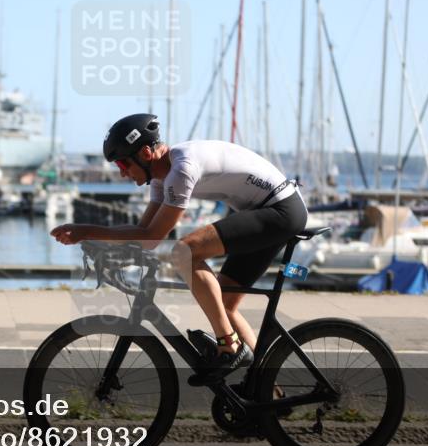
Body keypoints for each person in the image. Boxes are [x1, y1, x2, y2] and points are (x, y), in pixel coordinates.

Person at [51, 113, 308, 381]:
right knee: (226, 305)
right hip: (265, 210)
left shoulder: (182, 168)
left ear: (146, 153)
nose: (122, 172)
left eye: (123, 163)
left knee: (185, 250)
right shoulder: (162, 178)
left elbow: (154, 234)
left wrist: (87, 231)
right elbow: (146, 237)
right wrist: (94, 240)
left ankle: (228, 347)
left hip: (281, 210)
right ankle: (265, 390)